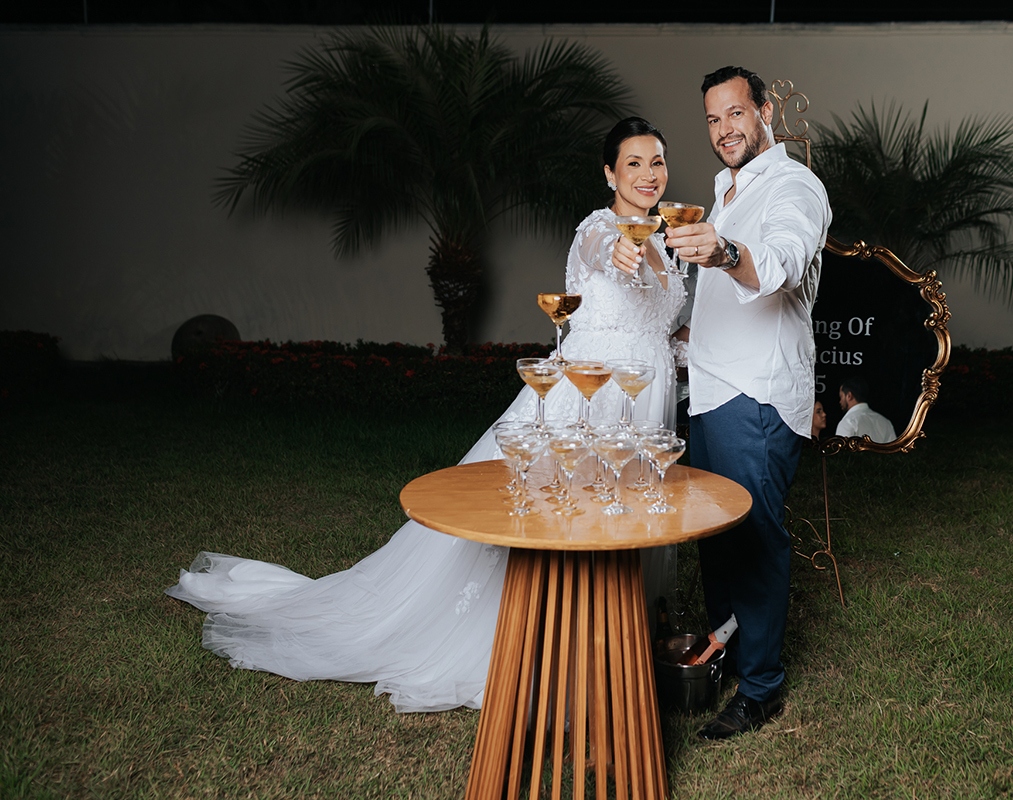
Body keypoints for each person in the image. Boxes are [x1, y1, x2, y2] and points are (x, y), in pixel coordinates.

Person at [165, 117, 687, 713]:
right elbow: (607, 252)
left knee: (625, 517)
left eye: (658, 162)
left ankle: (617, 640)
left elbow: (655, 325)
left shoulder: (673, 240)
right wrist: (626, 243)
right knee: (566, 517)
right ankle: (548, 641)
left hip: (645, 402)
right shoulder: (600, 229)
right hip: (590, 400)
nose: (649, 175)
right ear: (609, 173)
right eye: (634, 164)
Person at [618, 66, 831, 740]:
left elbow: (783, 261)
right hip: (707, 393)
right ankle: (727, 656)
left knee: (757, 538)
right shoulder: (723, 193)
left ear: (764, 111)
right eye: (712, 120)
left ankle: (762, 688)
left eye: (735, 114)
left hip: (757, 395)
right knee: (715, 540)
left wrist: (724, 248)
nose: (724, 130)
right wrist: (666, 339)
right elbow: (716, 308)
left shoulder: (794, 186)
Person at [835, 376, 896, 443]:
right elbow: (893, 452)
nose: (840, 401)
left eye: (841, 397)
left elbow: (842, 453)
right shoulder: (885, 422)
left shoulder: (848, 421)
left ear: (849, 396)